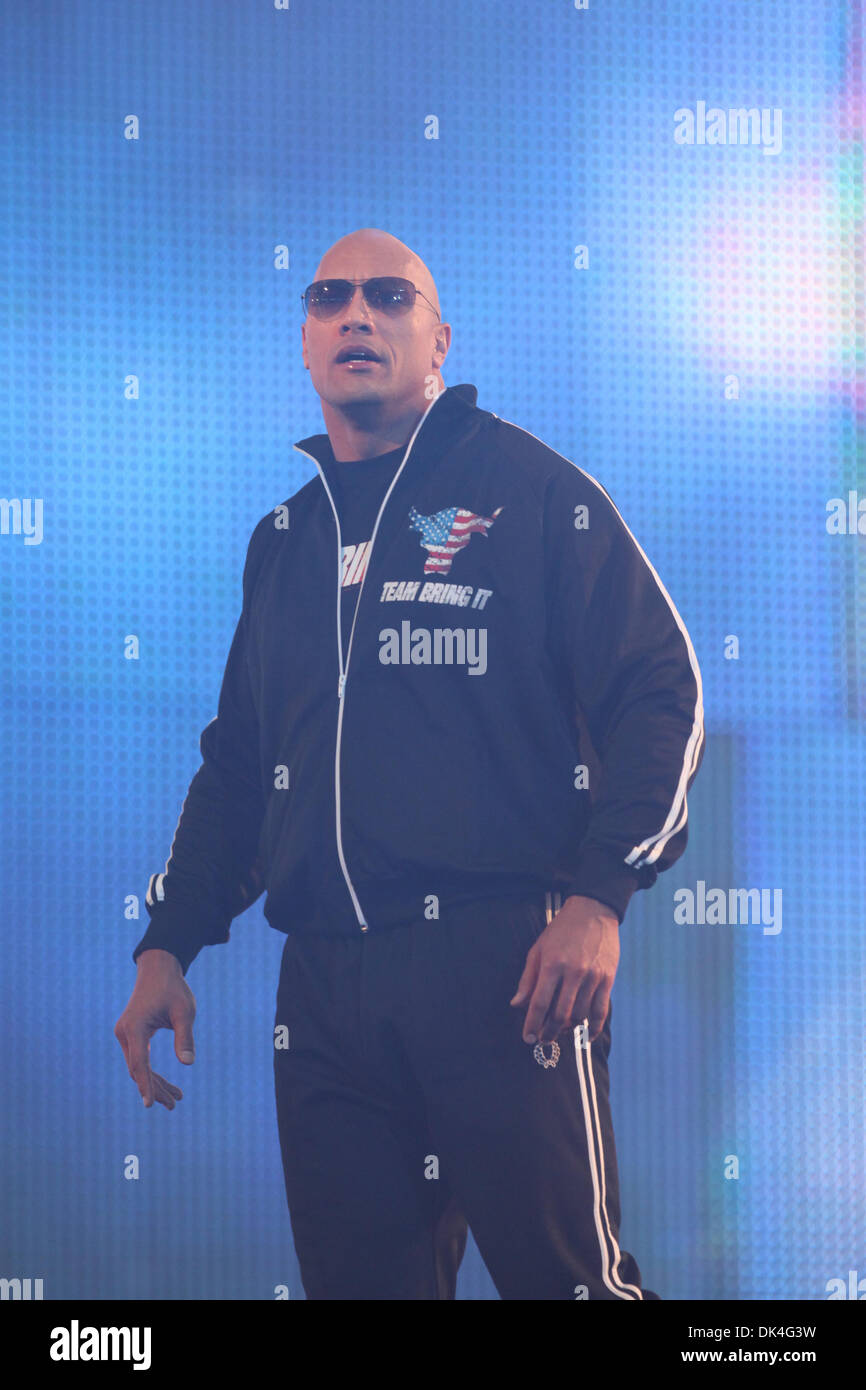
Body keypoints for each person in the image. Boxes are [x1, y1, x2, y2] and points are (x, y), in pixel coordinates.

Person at [115, 227, 705, 1300]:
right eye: (330, 295)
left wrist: (597, 897)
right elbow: (242, 767)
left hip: (500, 971)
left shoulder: (530, 493)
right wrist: (169, 944)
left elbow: (662, 691)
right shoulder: (284, 541)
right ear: (303, 341)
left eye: (389, 297)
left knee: (568, 1292)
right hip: (326, 992)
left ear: (438, 339)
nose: (356, 313)